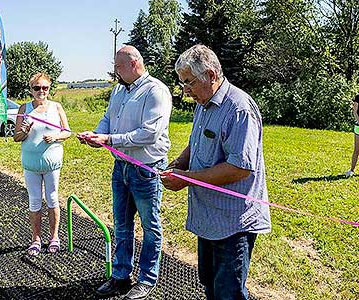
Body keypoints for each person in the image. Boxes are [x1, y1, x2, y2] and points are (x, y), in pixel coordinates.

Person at [160, 44, 271, 300]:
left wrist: (186, 179)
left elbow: (240, 168)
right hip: (209, 218)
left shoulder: (239, 108)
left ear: (210, 75)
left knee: (228, 293)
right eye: (182, 83)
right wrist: (178, 164)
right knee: (209, 284)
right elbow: (195, 142)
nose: (185, 91)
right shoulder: (203, 102)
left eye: (189, 83)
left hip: (233, 222)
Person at [77, 45, 172, 300]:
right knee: (121, 224)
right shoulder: (119, 90)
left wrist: (109, 139)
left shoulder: (156, 91)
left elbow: (149, 133)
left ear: (133, 64)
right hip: (121, 167)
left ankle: (146, 279)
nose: (115, 71)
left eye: (118, 66)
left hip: (146, 169)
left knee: (150, 226)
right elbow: (108, 118)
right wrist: (96, 134)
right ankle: (121, 276)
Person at [14, 72, 71, 256]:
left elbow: (67, 132)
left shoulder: (56, 107)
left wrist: (56, 136)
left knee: (53, 198)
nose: (41, 91)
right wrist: (25, 130)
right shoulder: (24, 109)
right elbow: (17, 137)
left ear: (49, 88)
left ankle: (54, 238)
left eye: (45, 87)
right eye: (37, 88)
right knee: (34, 200)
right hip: (31, 163)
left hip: (52, 163)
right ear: (31, 90)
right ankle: (36, 239)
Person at [345, 94, 359, 177]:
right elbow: (355, 111)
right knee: (357, 149)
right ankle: (352, 170)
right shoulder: (358, 97)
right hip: (358, 127)